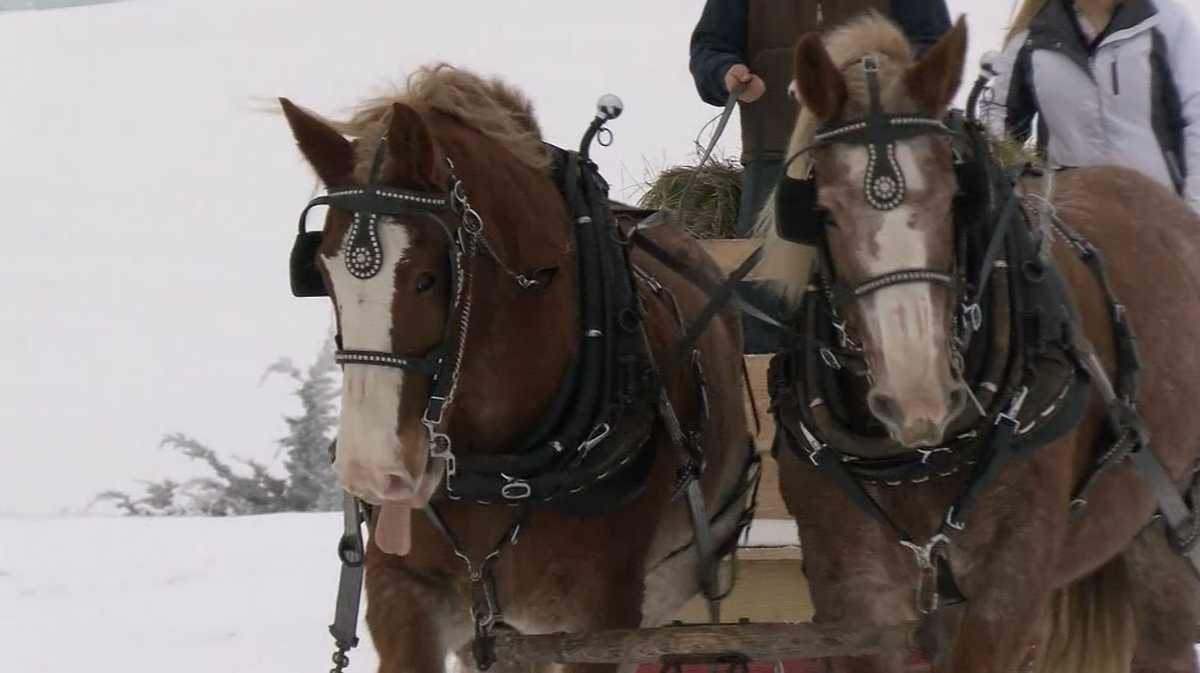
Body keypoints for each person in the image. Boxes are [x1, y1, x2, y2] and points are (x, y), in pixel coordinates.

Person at [688, 0, 952, 353]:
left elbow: (934, 47)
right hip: (775, 156)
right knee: (763, 292)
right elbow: (710, 46)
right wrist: (725, 72)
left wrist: (884, 82)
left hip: (878, 154)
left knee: (880, 278)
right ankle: (765, 379)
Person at [988, 0, 1200, 214]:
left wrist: (1194, 211)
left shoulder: (1164, 20)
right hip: (1070, 223)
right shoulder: (1031, 38)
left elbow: (1196, 116)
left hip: (1163, 219)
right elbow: (997, 129)